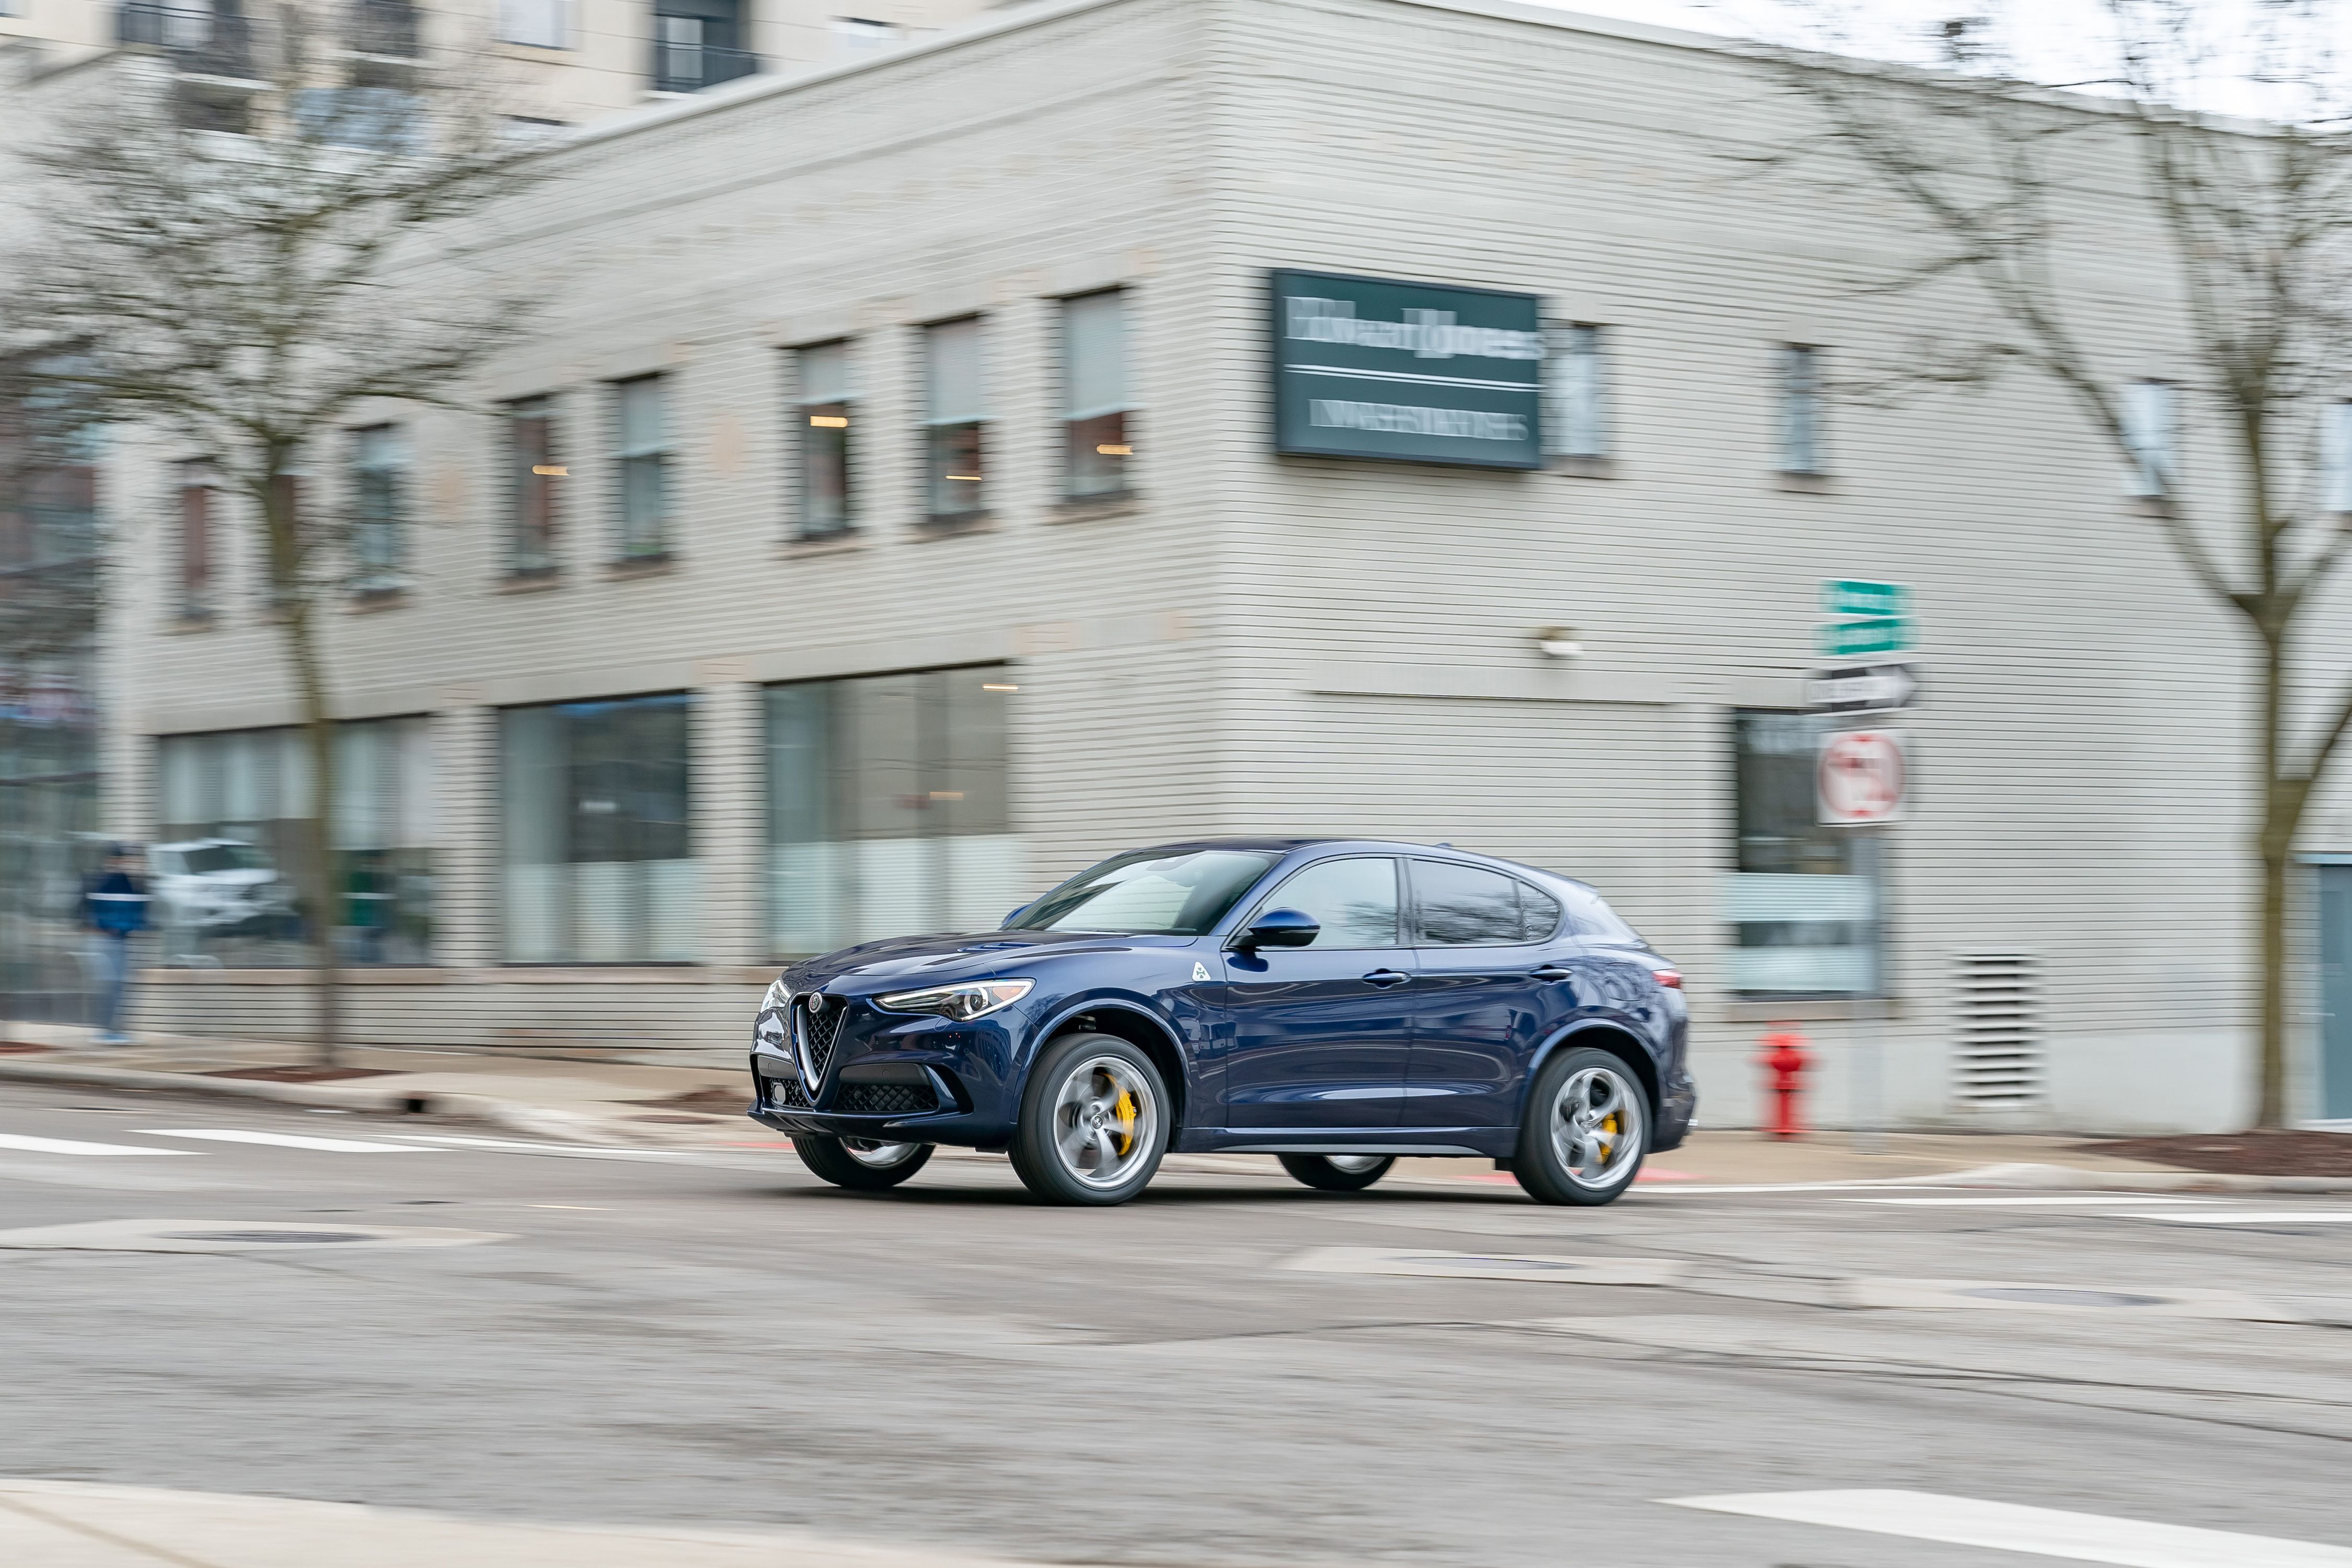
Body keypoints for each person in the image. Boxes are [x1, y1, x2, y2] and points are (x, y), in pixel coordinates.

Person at [80, 844, 149, 1044]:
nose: (120, 864)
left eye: (122, 860)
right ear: (108, 860)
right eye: (116, 860)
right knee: (109, 984)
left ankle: (114, 1029)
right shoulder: (98, 881)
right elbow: (84, 912)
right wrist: (97, 928)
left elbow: (138, 906)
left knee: (119, 985)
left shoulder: (126, 881)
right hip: (101, 940)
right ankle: (105, 1029)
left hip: (120, 940)